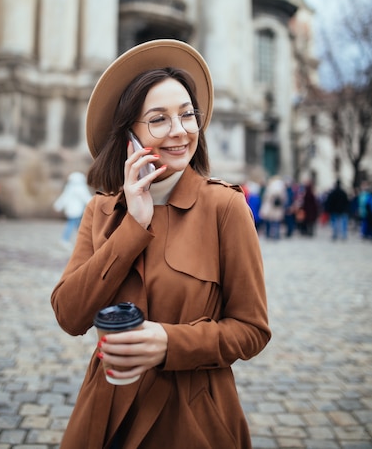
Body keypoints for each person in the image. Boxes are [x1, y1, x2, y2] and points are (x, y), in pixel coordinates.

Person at [51, 39, 271, 449]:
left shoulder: (225, 206)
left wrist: (170, 343)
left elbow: (251, 330)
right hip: (105, 415)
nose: (180, 131)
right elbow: (70, 315)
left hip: (191, 419)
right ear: (129, 135)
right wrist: (133, 224)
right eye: (159, 119)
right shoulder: (101, 211)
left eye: (187, 115)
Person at [53, 172, 93, 248]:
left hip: (71, 210)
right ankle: (65, 240)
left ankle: (82, 240)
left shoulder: (69, 188)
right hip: (76, 211)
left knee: (77, 225)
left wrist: (57, 206)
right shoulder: (80, 188)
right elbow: (86, 198)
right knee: (73, 225)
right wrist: (95, 203)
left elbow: (63, 198)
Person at [259, 175, 287, 239]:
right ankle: (276, 235)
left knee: (270, 220)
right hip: (278, 207)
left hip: (271, 207)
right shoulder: (281, 187)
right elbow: (284, 198)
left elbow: (266, 197)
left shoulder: (270, 187)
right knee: (277, 221)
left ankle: (269, 234)